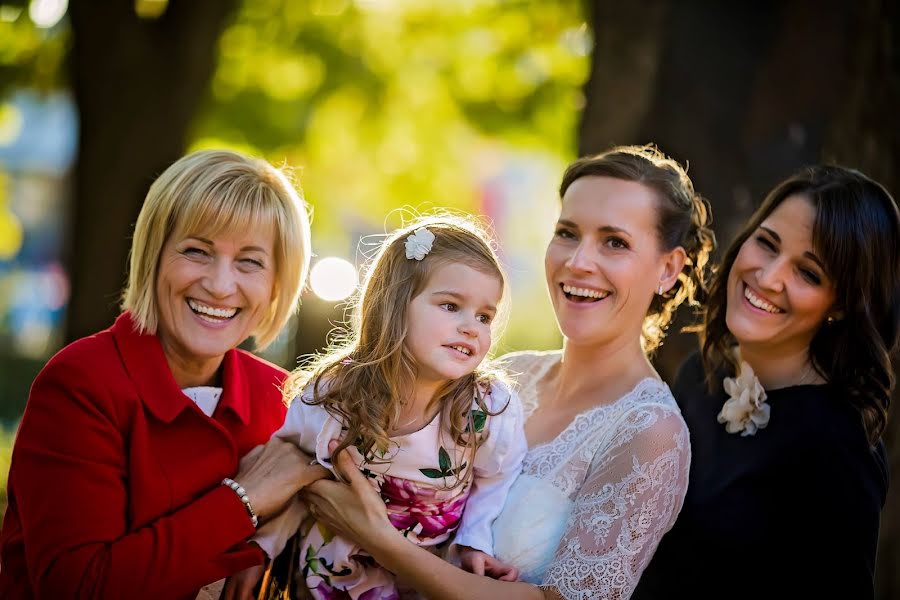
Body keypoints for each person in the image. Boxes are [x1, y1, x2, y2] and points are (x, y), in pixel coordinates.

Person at [296, 145, 716, 599]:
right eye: (568, 233)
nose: (577, 262)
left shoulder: (651, 432)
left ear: (669, 269)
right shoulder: (507, 378)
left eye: (614, 242)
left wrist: (380, 539)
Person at [0, 149, 330, 599]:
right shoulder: (81, 383)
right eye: (197, 251)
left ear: (277, 283)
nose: (219, 284)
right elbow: (78, 587)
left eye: (250, 261)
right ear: (154, 257)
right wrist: (244, 500)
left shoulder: (283, 397)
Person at [225, 216, 528, 599]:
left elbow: (496, 476)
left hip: (427, 575)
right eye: (451, 306)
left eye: (484, 316)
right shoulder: (335, 396)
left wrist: (475, 540)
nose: (471, 327)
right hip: (332, 572)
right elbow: (289, 465)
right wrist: (262, 547)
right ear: (395, 306)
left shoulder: (487, 407)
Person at [632, 165, 899, 599]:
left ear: (843, 304)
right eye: (767, 243)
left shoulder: (838, 446)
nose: (770, 278)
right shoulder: (700, 374)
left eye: (809, 273)